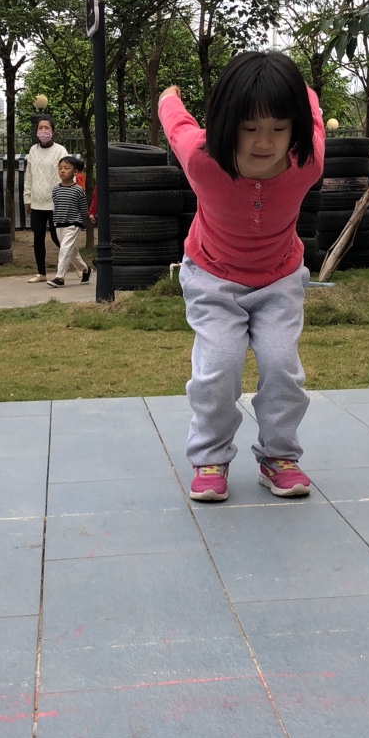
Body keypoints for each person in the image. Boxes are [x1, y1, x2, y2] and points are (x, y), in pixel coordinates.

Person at [158, 50, 324, 503]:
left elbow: (312, 113)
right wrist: (168, 96)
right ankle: (210, 457)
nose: (264, 142)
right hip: (212, 277)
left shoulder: (308, 162)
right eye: (249, 129)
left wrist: (305, 92)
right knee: (219, 368)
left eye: (278, 128)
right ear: (226, 125)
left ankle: (279, 457)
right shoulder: (201, 160)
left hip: (279, 278)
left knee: (281, 365)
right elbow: (176, 125)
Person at [23, 118, 68, 282]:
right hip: (37, 202)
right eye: (40, 128)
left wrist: (65, 196)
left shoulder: (60, 151)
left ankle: (79, 266)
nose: (43, 131)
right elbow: (29, 175)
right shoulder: (33, 151)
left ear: (53, 131)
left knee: (58, 238)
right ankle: (41, 273)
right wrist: (27, 198)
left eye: (46, 128)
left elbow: (67, 174)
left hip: (56, 202)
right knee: (38, 238)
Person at [48, 154, 90, 287]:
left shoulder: (78, 190)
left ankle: (60, 278)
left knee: (65, 250)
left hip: (74, 224)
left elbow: (83, 207)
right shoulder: (56, 189)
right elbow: (56, 206)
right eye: (60, 168)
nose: (62, 171)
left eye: (66, 168)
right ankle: (85, 269)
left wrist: (83, 222)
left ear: (75, 172)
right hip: (59, 224)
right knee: (71, 252)